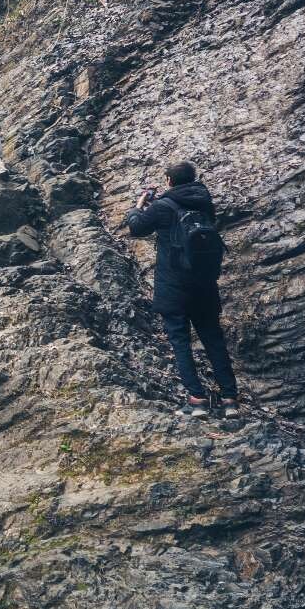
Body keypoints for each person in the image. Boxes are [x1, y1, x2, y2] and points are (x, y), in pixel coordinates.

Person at [124, 160, 239, 418]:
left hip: (175, 287)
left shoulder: (163, 206)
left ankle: (197, 400)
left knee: (180, 341)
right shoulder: (205, 203)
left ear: (169, 181)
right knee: (213, 340)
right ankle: (230, 400)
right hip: (205, 286)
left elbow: (137, 227)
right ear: (193, 179)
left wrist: (139, 205)